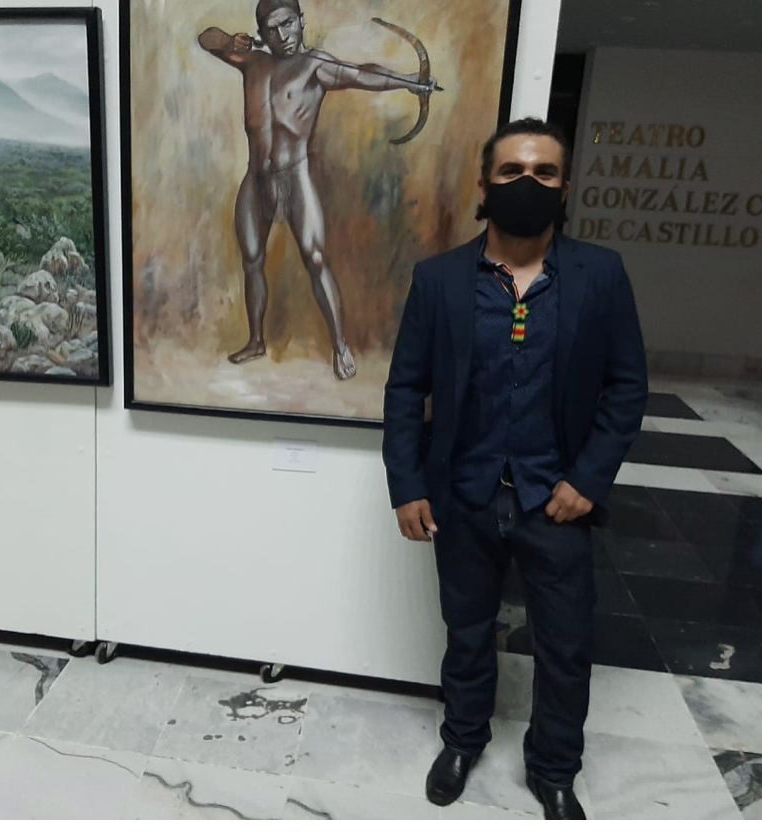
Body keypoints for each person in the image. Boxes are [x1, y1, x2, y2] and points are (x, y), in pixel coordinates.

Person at [382, 117, 648, 819]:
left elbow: (626, 388)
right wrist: (407, 484)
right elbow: (406, 388)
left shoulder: (600, 274)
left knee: (565, 644)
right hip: (462, 496)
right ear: (484, 185)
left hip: (555, 499)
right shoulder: (438, 279)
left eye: (543, 172)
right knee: (466, 631)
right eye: (511, 171)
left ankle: (553, 768)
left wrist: (587, 480)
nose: (526, 183)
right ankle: (462, 739)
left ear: (564, 187)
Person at [199, 0, 435, 380]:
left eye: (288, 24)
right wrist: (229, 41)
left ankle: (339, 345)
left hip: (295, 176)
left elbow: (362, 74)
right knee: (252, 259)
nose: (283, 35)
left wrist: (410, 82)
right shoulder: (252, 62)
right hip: (256, 179)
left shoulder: (314, 65)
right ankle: (256, 340)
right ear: (262, 33)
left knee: (314, 257)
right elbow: (205, 38)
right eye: (272, 29)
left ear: (301, 21)